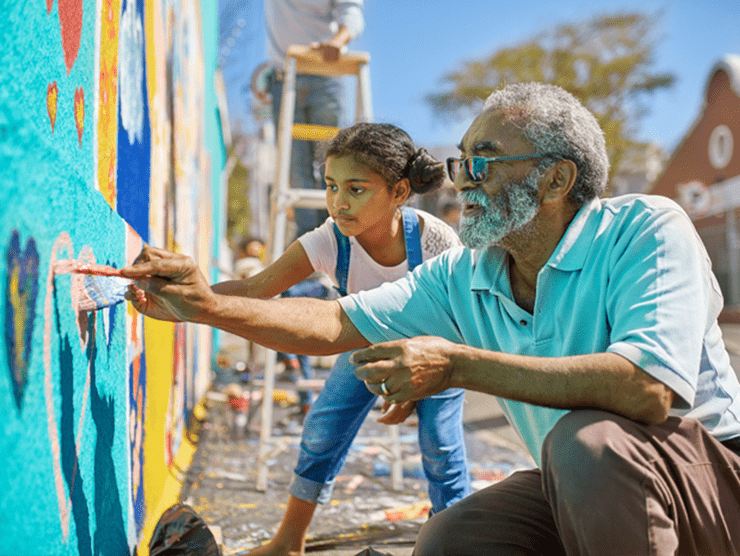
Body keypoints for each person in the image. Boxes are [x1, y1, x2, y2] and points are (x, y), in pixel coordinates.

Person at [123, 82, 740, 555]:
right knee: (453, 537)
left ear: (555, 179)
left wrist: (455, 365)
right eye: (460, 161)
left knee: (585, 446)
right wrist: (206, 307)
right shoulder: (466, 271)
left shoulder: (645, 228)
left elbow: (646, 388)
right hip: (578, 480)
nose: (461, 181)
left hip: (709, 485)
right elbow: (335, 323)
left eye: (484, 162)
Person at [129, 122, 470, 555]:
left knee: (440, 444)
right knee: (322, 430)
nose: (339, 203)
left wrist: (419, 384)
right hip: (362, 339)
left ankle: (452, 539)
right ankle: (289, 541)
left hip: (440, 347)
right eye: (331, 187)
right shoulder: (330, 239)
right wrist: (186, 302)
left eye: (356, 189)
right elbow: (256, 290)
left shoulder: (435, 240)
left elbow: (460, 321)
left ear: (399, 192)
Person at [255, 0, 365, 238]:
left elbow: (352, 12)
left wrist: (336, 42)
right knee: (295, 168)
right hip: (285, 77)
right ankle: (309, 242)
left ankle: (334, 237)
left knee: (330, 162)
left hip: (324, 74)